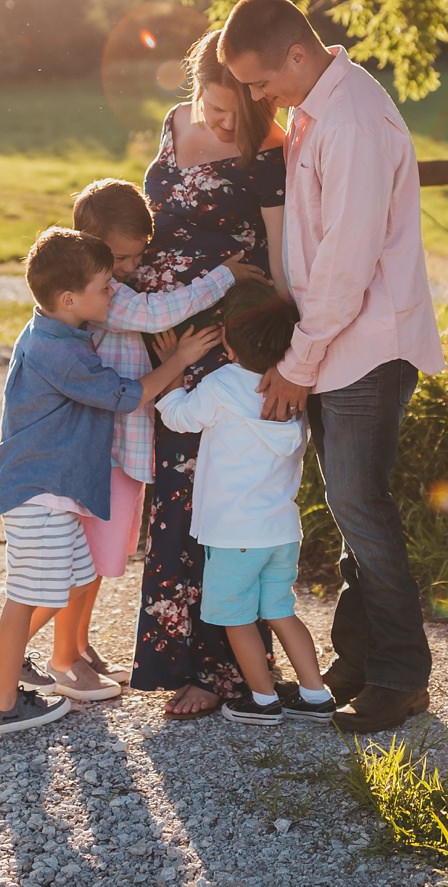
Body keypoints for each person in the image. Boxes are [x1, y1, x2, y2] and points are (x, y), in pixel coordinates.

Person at [218, 0, 445, 734]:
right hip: (337, 346)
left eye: (258, 82)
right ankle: (356, 658)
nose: (257, 98)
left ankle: (403, 676)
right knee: (352, 510)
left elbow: (346, 266)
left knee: (363, 510)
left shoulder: (349, 122)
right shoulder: (319, 106)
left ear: (295, 53)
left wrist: (298, 363)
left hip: (364, 348)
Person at [0, 178, 266, 700]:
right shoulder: (101, 302)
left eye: (133, 257)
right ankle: (42, 657)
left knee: (91, 562)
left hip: (108, 449)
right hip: (102, 450)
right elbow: (151, 322)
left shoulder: (89, 294)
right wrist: (222, 279)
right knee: (83, 563)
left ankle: (69, 648)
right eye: (118, 258)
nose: (127, 271)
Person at [0, 226, 219, 736]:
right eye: (105, 287)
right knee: (26, 594)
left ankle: (6, 659)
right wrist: (179, 360)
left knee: (69, 576)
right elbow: (128, 395)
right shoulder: (59, 353)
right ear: (70, 299)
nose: (114, 294)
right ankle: (4, 703)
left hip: (53, 489)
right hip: (38, 490)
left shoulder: (61, 329)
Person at [130, 28, 291, 718]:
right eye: (215, 107)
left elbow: (281, 261)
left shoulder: (271, 147)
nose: (225, 122)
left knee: (220, 503)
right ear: (198, 85)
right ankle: (174, 656)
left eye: (236, 111)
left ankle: (222, 668)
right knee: (172, 498)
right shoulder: (172, 124)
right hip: (168, 337)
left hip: (230, 338)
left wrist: (285, 349)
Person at [153, 280, 335, 726]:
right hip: (280, 532)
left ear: (228, 343)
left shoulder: (223, 384)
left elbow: (177, 415)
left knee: (236, 618)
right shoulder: (292, 392)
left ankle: (263, 700)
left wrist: (173, 368)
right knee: (280, 611)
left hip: (234, 534)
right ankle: (316, 695)